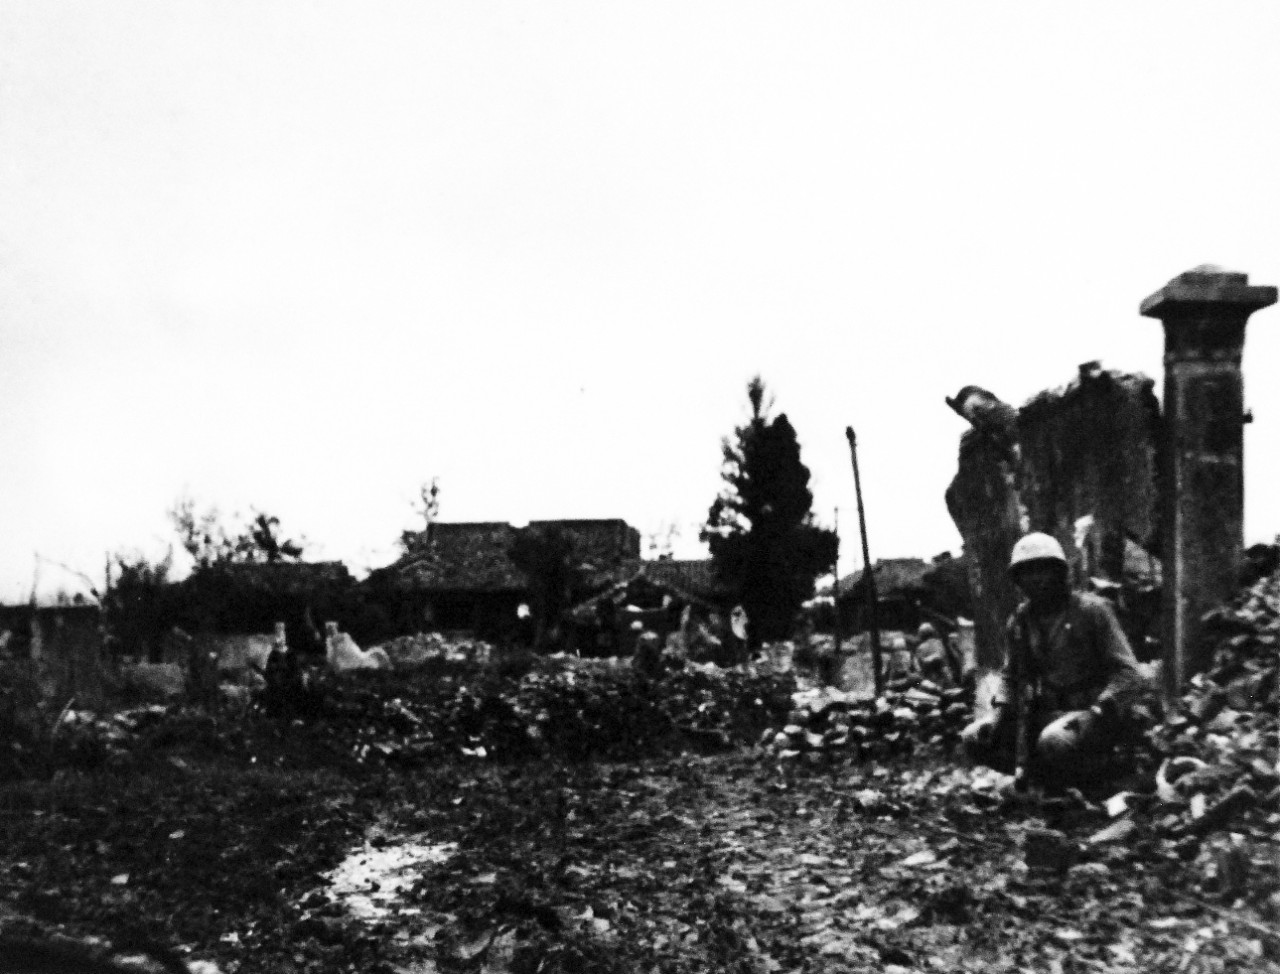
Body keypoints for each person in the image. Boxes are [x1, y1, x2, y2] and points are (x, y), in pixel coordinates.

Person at [961, 532, 1142, 788]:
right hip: (1047, 713)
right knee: (975, 737)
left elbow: (1129, 674)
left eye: (1043, 570)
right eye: (1027, 572)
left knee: (1054, 740)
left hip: (1096, 716)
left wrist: (1099, 710)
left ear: (1059, 573)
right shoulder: (1020, 622)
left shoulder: (1092, 611)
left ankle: (1097, 776)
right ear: (1018, 579)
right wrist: (999, 716)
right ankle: (1045, 779)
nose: (1036, 579)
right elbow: (1011, 677)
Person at [914, 622, 957, 688]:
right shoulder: (939, 643)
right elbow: (945, 659)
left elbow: (920, 668)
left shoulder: (920, 648)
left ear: (921, 634)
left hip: (930, 682)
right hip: (946, 679)